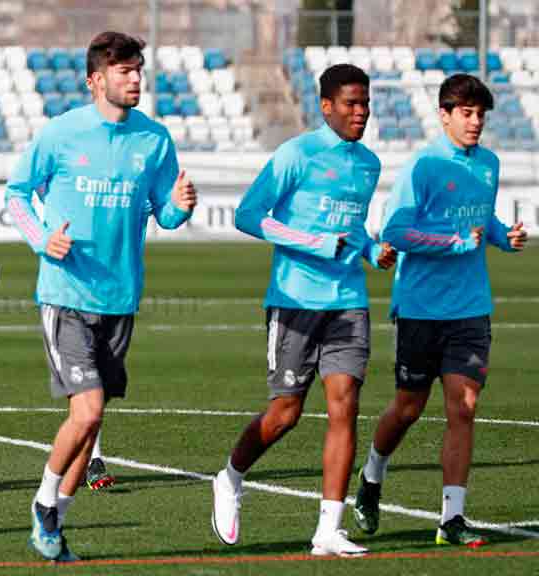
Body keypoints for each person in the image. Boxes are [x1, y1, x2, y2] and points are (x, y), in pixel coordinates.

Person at [6, 31, 196, 561]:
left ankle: (54, 527)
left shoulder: (155, 139)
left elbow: (166, 214)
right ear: (96, 80)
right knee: (87, 414)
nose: (135, 79)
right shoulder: (61, 133)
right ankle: (44, 504)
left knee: (91, 424)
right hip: (65, 294)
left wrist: (182, 205)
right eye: (124, 71)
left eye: (138, 70)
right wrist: (43, 239)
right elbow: (17, 193)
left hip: (120, 299)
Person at [209, 64, 396, 557]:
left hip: (348, 302)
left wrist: (371, 250)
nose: (361, 112)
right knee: (285, 414)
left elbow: (352, 230)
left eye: (366, 102)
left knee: (346, 406)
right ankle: (230, 477)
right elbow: (248, 215)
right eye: (351, 104)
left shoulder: (369, 165)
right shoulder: (296, 154)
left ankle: (328, 530)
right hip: (293, 301)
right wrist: (313, 242)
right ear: (327, 106)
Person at [352, 73, 528, 547]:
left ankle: (452, 519)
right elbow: (396, 232)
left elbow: (481, 219)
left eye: (481, 115)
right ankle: (372, 474)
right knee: (408, 408)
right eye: (466, 113)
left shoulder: (488, 164)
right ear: (444, 115)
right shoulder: (422, 166)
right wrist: (452, 243)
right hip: (420, 308)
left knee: (464, 408)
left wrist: (502, 237)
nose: (475, 123)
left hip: (470, 307)